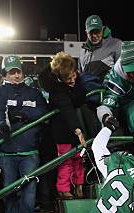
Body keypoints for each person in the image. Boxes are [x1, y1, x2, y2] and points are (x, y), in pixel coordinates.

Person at [0, 56, 48, 213]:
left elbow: (43, 111)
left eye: (18, 71)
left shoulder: (34, 93)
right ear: (4, 74)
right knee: (9, 190)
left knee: (29, 191)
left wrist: (23, 114)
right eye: (11, 72)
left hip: (30, 150)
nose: (16, 75)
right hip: (7, 151)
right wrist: (3, 122)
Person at [38, 52, 87, 199]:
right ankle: (63, 189)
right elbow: (67, 111)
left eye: (73, 75)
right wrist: (78, 132)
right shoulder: (56, 91)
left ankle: (79, 186)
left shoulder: (78, 83)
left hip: (77, 128)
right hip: (63, 132)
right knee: (65, 161)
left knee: (80, 159)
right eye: (68, 78)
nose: (72, 80)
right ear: (60, 77)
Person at [79, 15, 122, 81]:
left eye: (97, 32)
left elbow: (122, 73)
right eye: (91, 32)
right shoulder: (82, 52)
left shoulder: (116, 44)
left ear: (102, 29)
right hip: (88, 91)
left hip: (107, 90)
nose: (94, 36)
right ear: (86, 33)